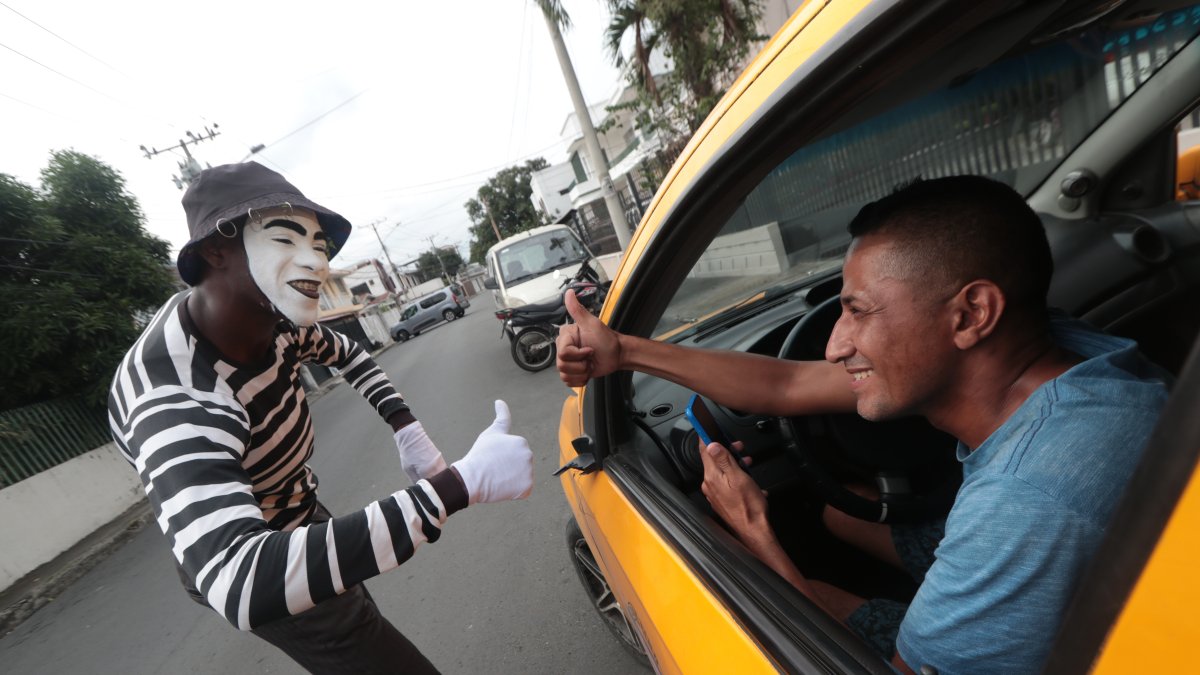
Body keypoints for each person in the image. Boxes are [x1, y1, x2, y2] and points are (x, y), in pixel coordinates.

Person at [555, 175, 1171, 675]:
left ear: (972, 313)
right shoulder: (1071, 359)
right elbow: (787, 384)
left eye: (858, 312)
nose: (834, 345)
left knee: (816, 587)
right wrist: (626, 352)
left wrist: (753, 532)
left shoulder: (1021, 509)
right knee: (836, 510)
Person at [108, 162, 534, 674]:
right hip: (258, 549)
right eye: (286, 240)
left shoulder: (277, 318)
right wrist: (459, 486)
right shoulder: (176, 395)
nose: (315, 263)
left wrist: (407, 429)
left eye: (319, 245)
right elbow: (240, 579)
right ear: (215, 251)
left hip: (301, 506)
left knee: (356, 613)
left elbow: (348, 353)